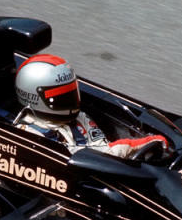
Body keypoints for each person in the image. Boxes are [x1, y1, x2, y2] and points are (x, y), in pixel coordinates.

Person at [14, 54, 168, 158]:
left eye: (71, 93)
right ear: (34, 98)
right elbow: (82, 158)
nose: (70, 101)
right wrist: (135, 145)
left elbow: (103, 150)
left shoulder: (80, 118)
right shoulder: (29, 136)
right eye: (61, 97)